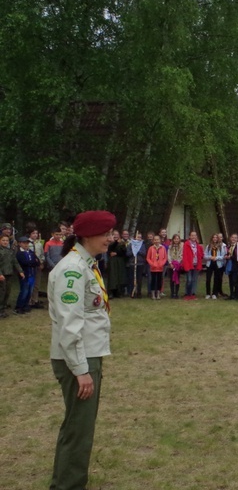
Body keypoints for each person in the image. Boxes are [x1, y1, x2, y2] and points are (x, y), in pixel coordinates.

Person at [49, 210, 116, 490]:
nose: (111, 239)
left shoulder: (87, 264)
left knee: (80, 427)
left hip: (88, 355)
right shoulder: (73, 269)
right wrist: (81, 371)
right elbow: (69, 325)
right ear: (87, 235)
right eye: (106, 233)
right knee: (79, 429)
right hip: (79, 359)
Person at [0, 234, 24, 318]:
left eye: (6, 240)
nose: (5, 242)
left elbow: (15, 262)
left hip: (9, 274)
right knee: (1, 293)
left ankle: (3, 309)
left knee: (7, 292)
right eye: (3, 240)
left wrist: (20, 271)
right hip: (2, 275)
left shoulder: (10, 251)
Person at [14, 236, 39, 314]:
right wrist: (32, 262)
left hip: (32, 274)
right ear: (20, 244)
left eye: (27, 243)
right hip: (25, 275)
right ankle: (19, 306)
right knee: (24, 291)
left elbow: (37, 262)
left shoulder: (31, 252)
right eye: (24, 243)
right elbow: (24, 263)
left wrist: (32, 263)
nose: (26, 244)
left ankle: (26, 305)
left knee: (30, 291)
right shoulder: (19, 253)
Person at [181, 231, 203, 300]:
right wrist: (186, 265)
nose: (193, 237)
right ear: (189, 236)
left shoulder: (198, 245)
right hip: (189, 265)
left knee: (194, 280)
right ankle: (187, 293)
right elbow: (185, 255)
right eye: (192, 235)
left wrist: (201, 256)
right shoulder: (186, 244)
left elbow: (201, 254)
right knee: (189, 280)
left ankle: (193, 293)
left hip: (196, 264)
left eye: (195, 235)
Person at [106, 230, 127, 299]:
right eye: (114, 234)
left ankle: (119, 292)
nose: (115, 236)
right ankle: (111, 292)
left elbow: (124, 252)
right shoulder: (110, 242)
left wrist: (117, 253)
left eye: (117, 234)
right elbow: (109, 250)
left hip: (120, 261)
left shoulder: (122, 242)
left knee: (119, 277)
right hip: (112, 261)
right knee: (112, 276)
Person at [203, 233, 225, 299]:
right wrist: (210, 257)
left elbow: (223, 256)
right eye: (214, 237)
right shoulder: (208, 246)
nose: (215, 239)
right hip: (210, 264)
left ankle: (214, 293)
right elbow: (205, 255)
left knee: (216, 279)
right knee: (208, 279)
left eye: (216, 237)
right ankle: (207, 293)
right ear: (212, 238)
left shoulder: (221, 247)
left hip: (217, 264)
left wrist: (216, 258)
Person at [125, 232, 146, 298]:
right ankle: (132, 292)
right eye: (137, 237)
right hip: (132, 263)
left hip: (140, 264)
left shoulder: (142, 245)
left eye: (140, 237)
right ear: (135, 238)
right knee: (132, 279)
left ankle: (138, 292)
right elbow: (128, 254)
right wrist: (133, 251)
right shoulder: (130, 245)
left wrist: (138, 250)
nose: (139, 238)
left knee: (139, 279)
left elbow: (144, 253)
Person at [28, 229, 46, 308]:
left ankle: (35, 300)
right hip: (30, 267)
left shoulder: (39, 244)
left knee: (37, 284)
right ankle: (28, 301)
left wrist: (41, 262)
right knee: (30, 284)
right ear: (30, 234)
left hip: (38, 266)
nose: (35, 235)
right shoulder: (27, 243)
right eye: (33, 233)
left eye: (36, 233)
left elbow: (42, 254)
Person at [146, 234, 167, 300]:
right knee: (153, 281)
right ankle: (152, 294)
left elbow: (165, 258)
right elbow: (148, 258)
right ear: (153, 241)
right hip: (153, 268)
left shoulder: (163, 248)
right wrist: (152, 264)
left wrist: (162, 264)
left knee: (159, 281)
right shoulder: (151, 248)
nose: (156, 241)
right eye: (155, 240)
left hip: (160, 268)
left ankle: (158, 294)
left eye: (158, 239)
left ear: (160, 240)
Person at [167, 234, 183, 299]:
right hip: (171, 265)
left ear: (179, 240)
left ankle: (176, 293)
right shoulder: (170, 247)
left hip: (177, 265)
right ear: (173, 239)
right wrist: (170, 263)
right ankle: (172, 293)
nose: (176, 240)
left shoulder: (181, 247)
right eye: (175, 239)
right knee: (171, 279)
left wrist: (177, 263)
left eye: (177, 239)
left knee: (177, 279)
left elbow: (181, 255)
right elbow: (168, 255)